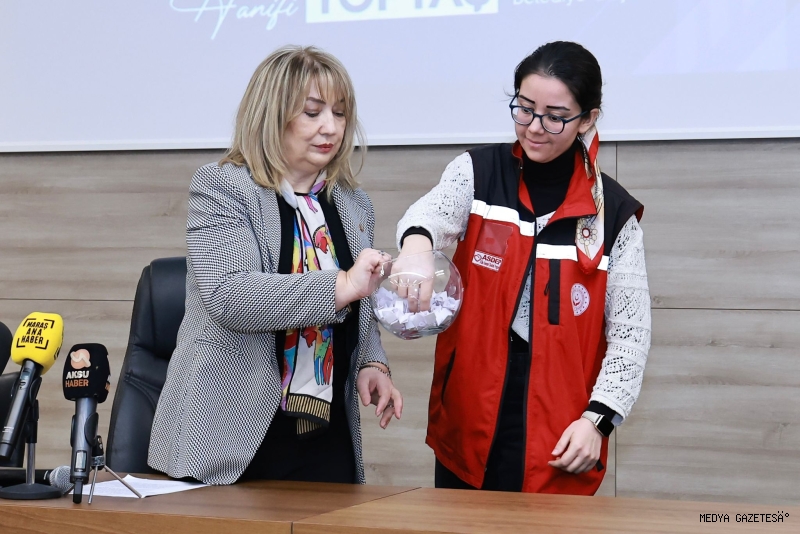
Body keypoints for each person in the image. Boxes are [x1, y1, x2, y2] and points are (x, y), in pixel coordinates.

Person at [395, 41, 651, 495]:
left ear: (588, 119)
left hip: (561, 429)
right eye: (525, 109)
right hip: (469, 413)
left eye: (555, 116)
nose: (534, 127)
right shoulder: (478, 173)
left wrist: (597, 420)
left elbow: (630, 336)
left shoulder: (612, 212)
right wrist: (415, 248)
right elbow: (427, 217)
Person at [148, 45, 402, 486]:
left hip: (328, 435)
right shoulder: (223, 186)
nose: (331, 127)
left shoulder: (353, 203)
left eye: (340, 113)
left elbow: (361, 307)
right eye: (312, 112)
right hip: (231, 435)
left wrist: (373, 363)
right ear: (272, 115)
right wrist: (341, 284)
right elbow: (230, 296)